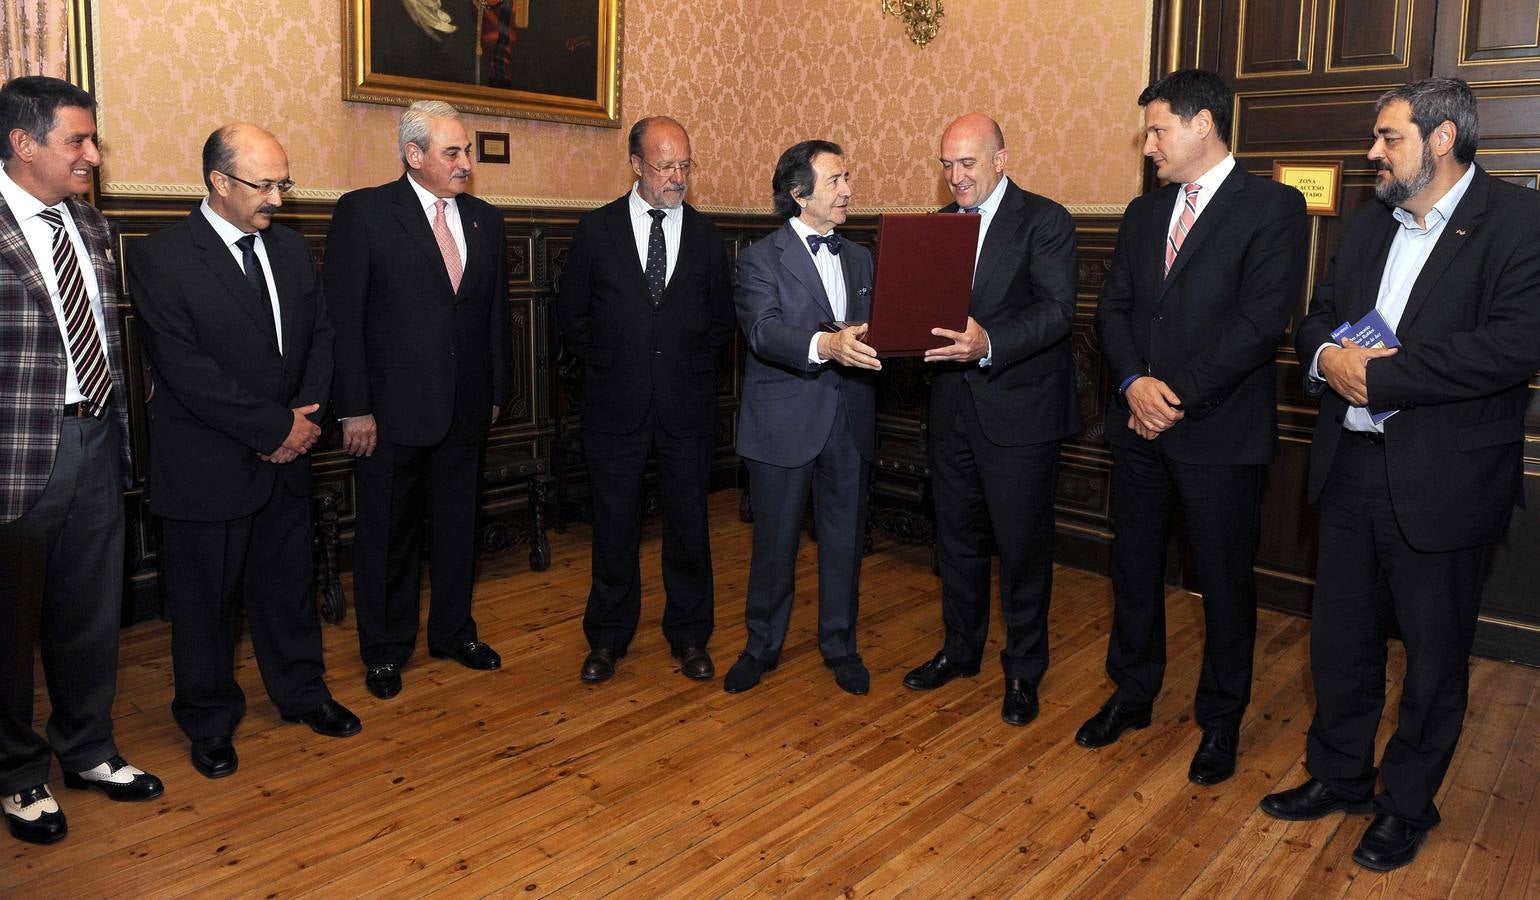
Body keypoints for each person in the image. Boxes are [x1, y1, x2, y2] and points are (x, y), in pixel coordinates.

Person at [1262, 77, 1540, 872]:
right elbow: (1317, 314)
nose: (1372, 152)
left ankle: (1405, 803)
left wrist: (1381, 377)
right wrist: (1325, 357)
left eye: (1388, 137)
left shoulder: (1518, 221)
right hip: (1349, 467)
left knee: (1433, 655)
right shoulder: (1369, 221)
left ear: (1443, 137)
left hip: (1446, 480)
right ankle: (1340, 774)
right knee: (1339, 640)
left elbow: (1514, 344)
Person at [1087, 69, 1309, 785]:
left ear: (1203, 123)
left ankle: (1220, 721)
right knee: (1134, 568)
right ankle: (1133, 691)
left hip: (1217, 429)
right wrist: (1132, 383)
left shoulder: (1273, 208)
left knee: (1222, 580)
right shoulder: (1143, 213)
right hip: (1139, 425)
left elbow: (1259, 324)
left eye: (1158, 129)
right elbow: (1112, 310)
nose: (1148, 144)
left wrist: (1174, 393)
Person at [129, 123, 362, 780]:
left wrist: (306, 422)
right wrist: (274, 429)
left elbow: (321, 337)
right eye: (265, 186)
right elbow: (185, 368)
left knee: (288, 590)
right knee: (205, 605)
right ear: (218, 183)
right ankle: (208, 722)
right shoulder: (161, 257)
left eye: (282, 184)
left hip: (289, 459)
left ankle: (302, 694)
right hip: (209, 466)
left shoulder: (289, 251)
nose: (279, 201)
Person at [0, 75, 162, 845]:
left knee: (90, 613)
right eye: (78, 140)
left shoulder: (91, 227)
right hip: (13, 456)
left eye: (92, 139)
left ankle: (88, 749)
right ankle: (17, 774)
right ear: (22, 143)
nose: (93, 155)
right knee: (8, 628)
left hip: (95, 439)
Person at [326, 100, 512, 700]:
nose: (466, 164)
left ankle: (454, 631)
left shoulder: (485, 219)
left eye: (467, 152)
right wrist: (353, 407)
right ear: (414, 155)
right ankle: (385, 649)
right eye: (452, 153)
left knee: (460, 527)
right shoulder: (365, 213)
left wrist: (497, 391)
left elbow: (493, 317)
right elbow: (343, 320)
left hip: (465, 407)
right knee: (388, 535)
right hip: (390, 411)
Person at [901, 113, 1081, 727]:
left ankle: (1024, 670)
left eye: (968, 163)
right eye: (947, 164)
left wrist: (990, 341)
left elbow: (1058, 312)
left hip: (1020, 413)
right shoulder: (938, 229)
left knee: (1022, 550)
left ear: (1001, 159)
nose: (955, 176)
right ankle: (960, 649)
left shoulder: (1045, 220)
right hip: (951, 410)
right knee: (956, 541)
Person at [557, 116, 734, 684]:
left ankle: (690, 637)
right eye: (665, 166)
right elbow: (572, 320)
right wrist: (609, 371)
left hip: (686, 408)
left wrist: (688, 369)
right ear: (636, 165)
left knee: (689, 525)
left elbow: (721, 323)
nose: (677, 176)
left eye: (685, 165)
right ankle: (607, 639)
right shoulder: (596, 231)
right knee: (614, 527)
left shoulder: (707, 237)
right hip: (615, 406)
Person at [725, 140, 877, 695]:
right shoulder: (759, 258)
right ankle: (760, 646)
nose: (848, 190)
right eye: (836, 180)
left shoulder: (860, 257)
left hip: (849, 421)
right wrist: (827, 345)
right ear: (798, 194)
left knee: (844, 543)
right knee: (775, 546)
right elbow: (763, 331)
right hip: (783, 423)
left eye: (847, 178)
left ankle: (841, 645)